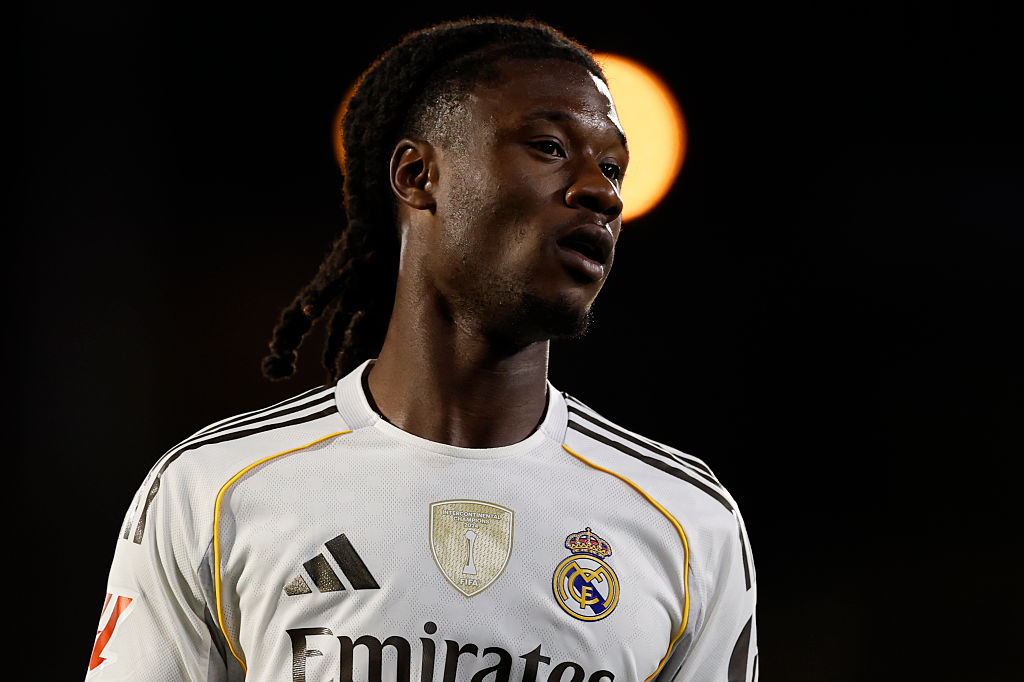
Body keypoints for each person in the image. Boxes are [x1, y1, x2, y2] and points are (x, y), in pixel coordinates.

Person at [88, 18, 757, 682]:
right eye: (549, 146)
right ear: (416, 175)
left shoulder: (687, 522)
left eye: (612, 167)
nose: (601, 192)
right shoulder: (215, 491)